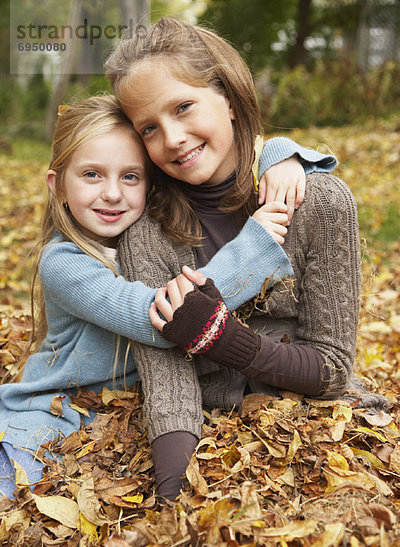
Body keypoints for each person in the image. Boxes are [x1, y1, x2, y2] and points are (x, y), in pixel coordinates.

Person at [104, 17, 384, 503]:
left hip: (318, 420)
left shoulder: (317, 203)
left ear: (228, 99)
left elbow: (335, 367)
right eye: (149, 127)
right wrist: (172, 500)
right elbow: (168, 383)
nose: (172, 138)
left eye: (184, 107)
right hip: (211, 438)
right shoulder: (146, 232)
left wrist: (226, 340)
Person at [0, 94, 328, 499]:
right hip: (56, 411)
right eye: (91, 175)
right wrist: (254, 249)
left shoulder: (151, 236)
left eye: (130, 177)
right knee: (14, 493)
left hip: (126, 416)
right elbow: (165, 320)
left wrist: (281, 154)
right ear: (58, 186)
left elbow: (213, 161)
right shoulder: (63, 262)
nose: (112, 194)